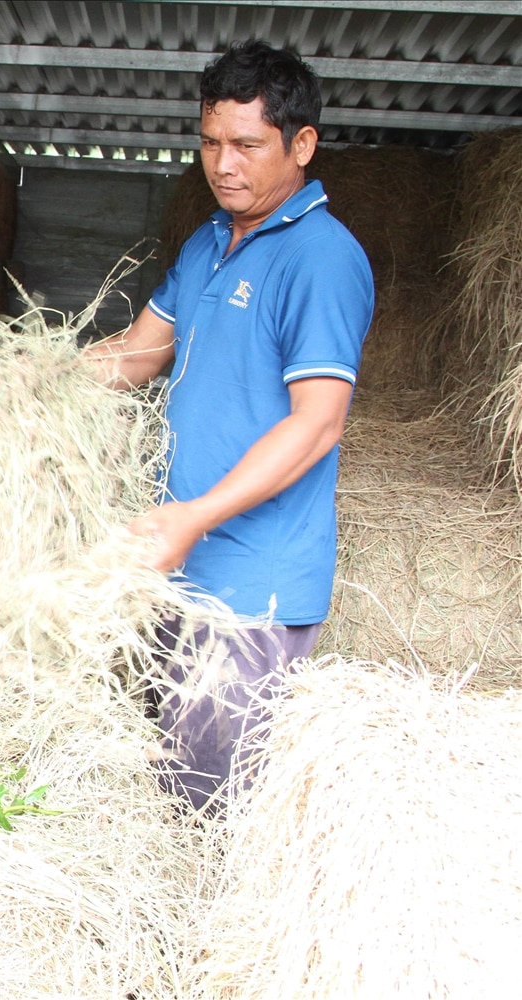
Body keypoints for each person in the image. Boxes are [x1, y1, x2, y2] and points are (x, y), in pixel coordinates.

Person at [83, 40, 375, 814]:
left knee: (211, 806)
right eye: (211, 143)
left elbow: (317, 425)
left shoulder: (320, 258)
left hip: (250, 593)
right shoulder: (211, 240)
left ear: (301, 145)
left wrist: (194, 517)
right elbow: (142, 353)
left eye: (247, 145)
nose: (223, 164)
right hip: (180, 571)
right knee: (163, 778)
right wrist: (33, 374)